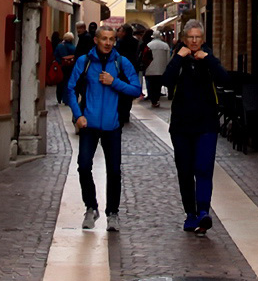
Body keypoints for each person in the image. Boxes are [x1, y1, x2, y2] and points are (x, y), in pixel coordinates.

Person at [65, 26, 141, 232]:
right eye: (104, 39)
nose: (108, 43)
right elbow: (69, 89)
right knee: (83, 166)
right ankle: (91, 207)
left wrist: (114, 82)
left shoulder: (121, 62)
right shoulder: (85, 62)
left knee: (114, 171)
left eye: (112, 39)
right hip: (89, 124)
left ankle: (113, 213)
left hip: (112, 125)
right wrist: (78, 116)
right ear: (96, 40)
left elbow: (136, 89)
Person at [166, 20, 228, 234]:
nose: (193, 41)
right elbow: (167, 80)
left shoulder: (209, 58)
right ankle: (190, 214)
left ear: (203, 40)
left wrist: (209, 59)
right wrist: (178, 58)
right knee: (184, 171)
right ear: (184, 39)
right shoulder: (178, 59)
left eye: (197, 37)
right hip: (181, 125)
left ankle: (203, 211)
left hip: (206, 124)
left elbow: (224, 79)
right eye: (190, 37)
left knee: (203, 168)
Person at [143, 29, 172, 108]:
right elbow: (168, 58)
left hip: (150, 69)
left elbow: (145, 57)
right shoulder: (165, 45)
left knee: (151, 85)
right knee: (158, 86)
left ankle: (153, 100)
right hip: (161, 69)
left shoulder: (149, 45)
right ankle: (156, 100)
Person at [51, 30, 78, 107]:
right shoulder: (73, 48)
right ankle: (66, 99)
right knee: (68, 82)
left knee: (60, 82)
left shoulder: (59, 46)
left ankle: (59, 98)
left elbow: (55, 55)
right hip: (69, 67)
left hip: (60, 67)